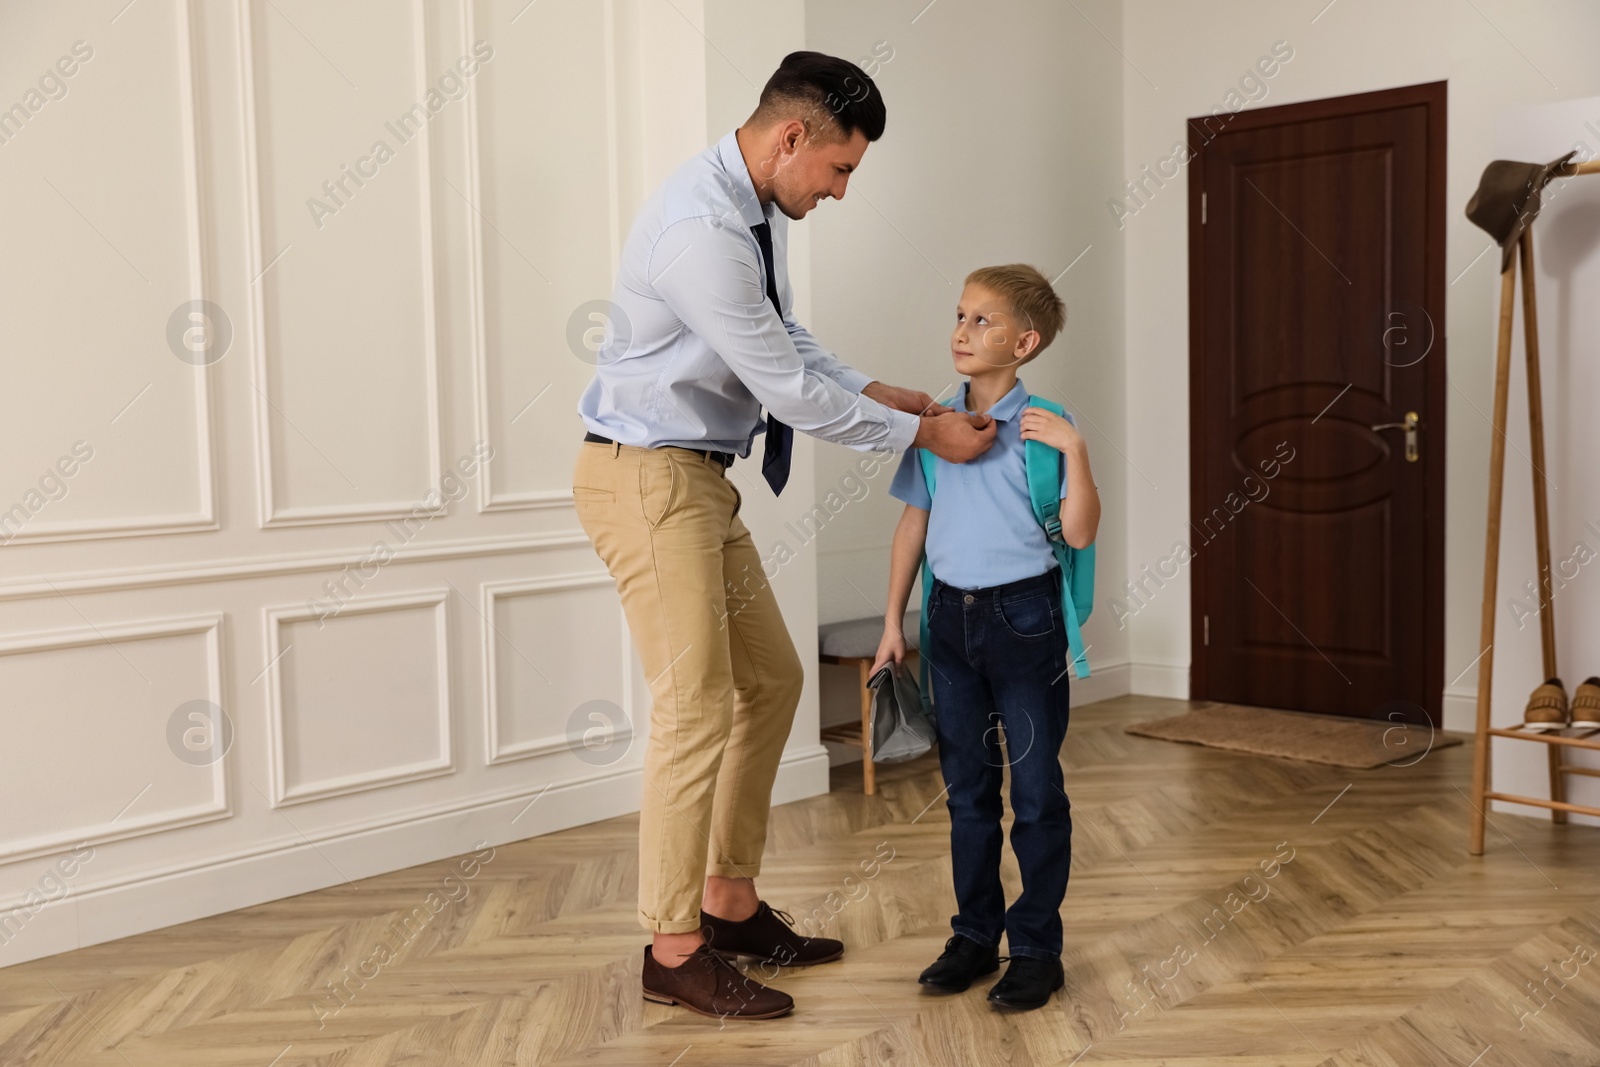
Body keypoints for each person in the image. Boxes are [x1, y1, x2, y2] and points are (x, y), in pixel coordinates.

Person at [573, 51, 996, 1021]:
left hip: (693, 479)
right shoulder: (700, 229)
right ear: (791, 136)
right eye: (840, 170)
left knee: (770, 677)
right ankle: (673, 947)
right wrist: (922, 429)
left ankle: (727, 902)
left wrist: (870, 386)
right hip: (645, 478)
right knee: (694, 700)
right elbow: (783, 389)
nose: (841, 192)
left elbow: (780, 340)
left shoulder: (752, 208)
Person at [872, 264, 1100, 1011]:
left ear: (1025, 343)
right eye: (960, 315)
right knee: (969, 794)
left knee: (1035, 794)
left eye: (983, 321)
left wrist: (1078, 453)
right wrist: (891, 624)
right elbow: (915, 522)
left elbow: (1079, 531)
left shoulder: (1046, 428)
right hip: (949, 625)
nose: (962, 332)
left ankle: (1036, 947)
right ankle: (974, 935)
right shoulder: (935, 422)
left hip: (1026, 621)